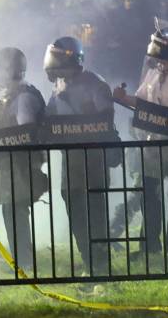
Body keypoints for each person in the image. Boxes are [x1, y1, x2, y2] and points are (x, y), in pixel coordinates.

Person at [113, 20, 168, 256]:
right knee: (149, 196)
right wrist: (124, 98)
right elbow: (142, 102)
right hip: (152, 146)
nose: (157, 61)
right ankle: (149, 245)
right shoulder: (153, 73)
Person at [44, 36, 116, 274]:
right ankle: (88, 259)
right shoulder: (59, 86)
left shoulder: (95, 84)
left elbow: (106, 118)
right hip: (71, 161)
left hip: (93, 159)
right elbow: (50, 117)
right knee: (74, 211)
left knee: (96, 212)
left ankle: (101, 264)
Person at [0, 47, 48, 273]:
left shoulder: (24, 98)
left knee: (15, 211)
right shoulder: (13, 95)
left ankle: (24, 261)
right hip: (14, 164)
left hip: (21, 165)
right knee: (11, 210)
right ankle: (21, 258)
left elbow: (24, 132)